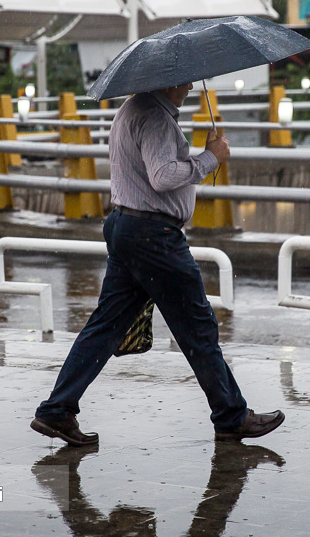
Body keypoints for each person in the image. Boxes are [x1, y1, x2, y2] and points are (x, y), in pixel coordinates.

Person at [31, 82, 285, 445]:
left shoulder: (132, 108)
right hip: (154, 237)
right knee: (197, 327)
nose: (192, 85)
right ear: (171, 81)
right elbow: (163, 176)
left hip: (126, 226)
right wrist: (211, 157)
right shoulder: (155, 117)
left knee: (106, 326)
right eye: (187, 80)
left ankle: (56, 410)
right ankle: (231, 415)